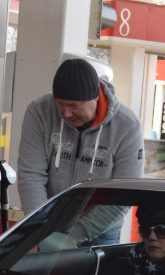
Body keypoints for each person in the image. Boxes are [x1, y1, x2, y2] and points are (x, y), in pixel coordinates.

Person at [16, 57, 144, 221]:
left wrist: (74, 235)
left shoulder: (127, 126)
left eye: (74, 106)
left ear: (96, 97)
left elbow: (123, 195)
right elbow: (31, 175)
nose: (66, 113)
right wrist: (39, 225)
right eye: (60, 104)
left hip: (99, 228)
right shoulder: (40, 112)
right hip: (47, 220)